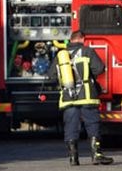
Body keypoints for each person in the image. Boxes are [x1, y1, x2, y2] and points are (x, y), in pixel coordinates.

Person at [47, 31, 113, 166]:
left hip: (68, 98)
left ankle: (73, 158)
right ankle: (96, 155)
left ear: (70, 40)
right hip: (87, 96)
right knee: (92, 124)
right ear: (82, 39)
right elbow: (99, 69)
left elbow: (51, 76)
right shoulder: (87, 51)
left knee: (71, 127)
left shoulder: (61, 55)